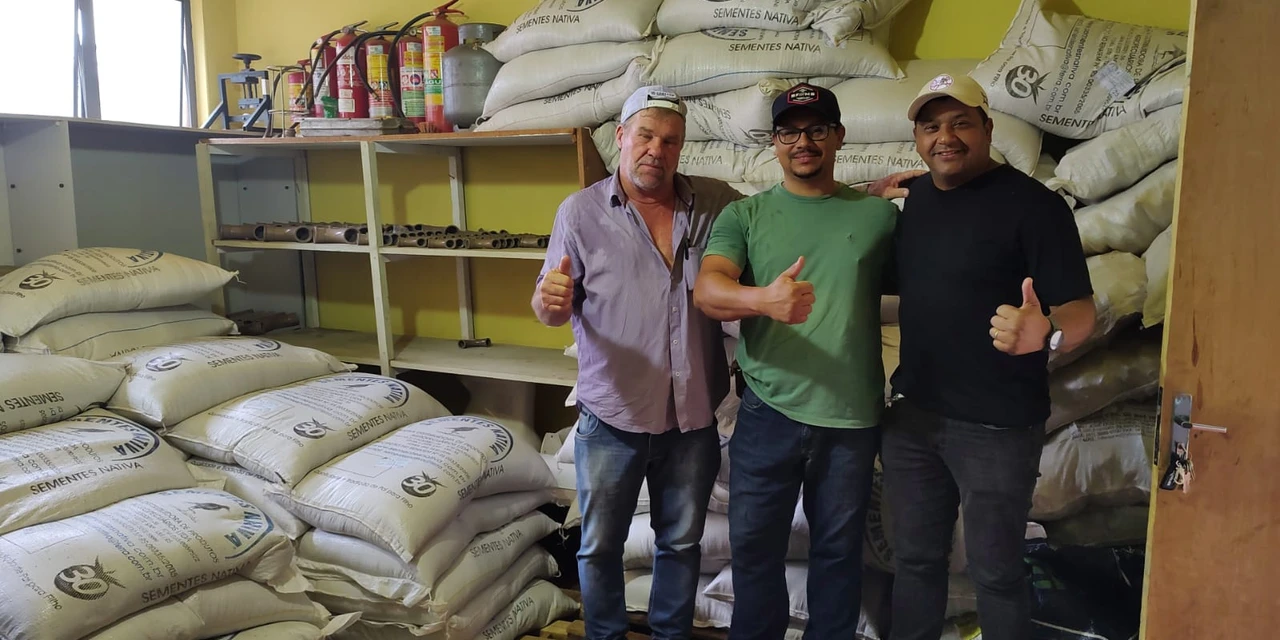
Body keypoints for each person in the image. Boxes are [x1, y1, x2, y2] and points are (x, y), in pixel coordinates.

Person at [881, 73, 1097, 640]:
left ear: (988, 128)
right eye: (931, 126)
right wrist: (866, 199)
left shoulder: (1036, 206)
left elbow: (1081, 312)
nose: (945, 137)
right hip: (913, 416)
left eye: (961, 123)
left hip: (996, 426)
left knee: (996, 573)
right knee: (915, 561)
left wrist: (1045, 332)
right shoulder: (915, 200)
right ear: (917, 138)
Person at [532, 85, 747, 640]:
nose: (657, 149)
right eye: (646, 136)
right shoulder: (580, 212)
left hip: (692, 420)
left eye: (670, 140)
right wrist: (549, 301)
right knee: (600, 545)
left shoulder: (717, 202)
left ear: (681, 147)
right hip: (613, 418)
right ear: (622, 136)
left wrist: (862, 190)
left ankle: (671, 634)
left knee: (681, 542)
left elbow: (784, 209)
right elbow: (549, 306)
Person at [692, 83, 899, 640]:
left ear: (838, 137)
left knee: (838, 555)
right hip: (768, 412)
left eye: (816, 130)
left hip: (850, 418)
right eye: (789, 132)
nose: (802, 142)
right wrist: (764, 300)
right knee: (755, 551)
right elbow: (708, 290)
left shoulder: (879, 216)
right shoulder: (746, 214)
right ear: (774, 142)